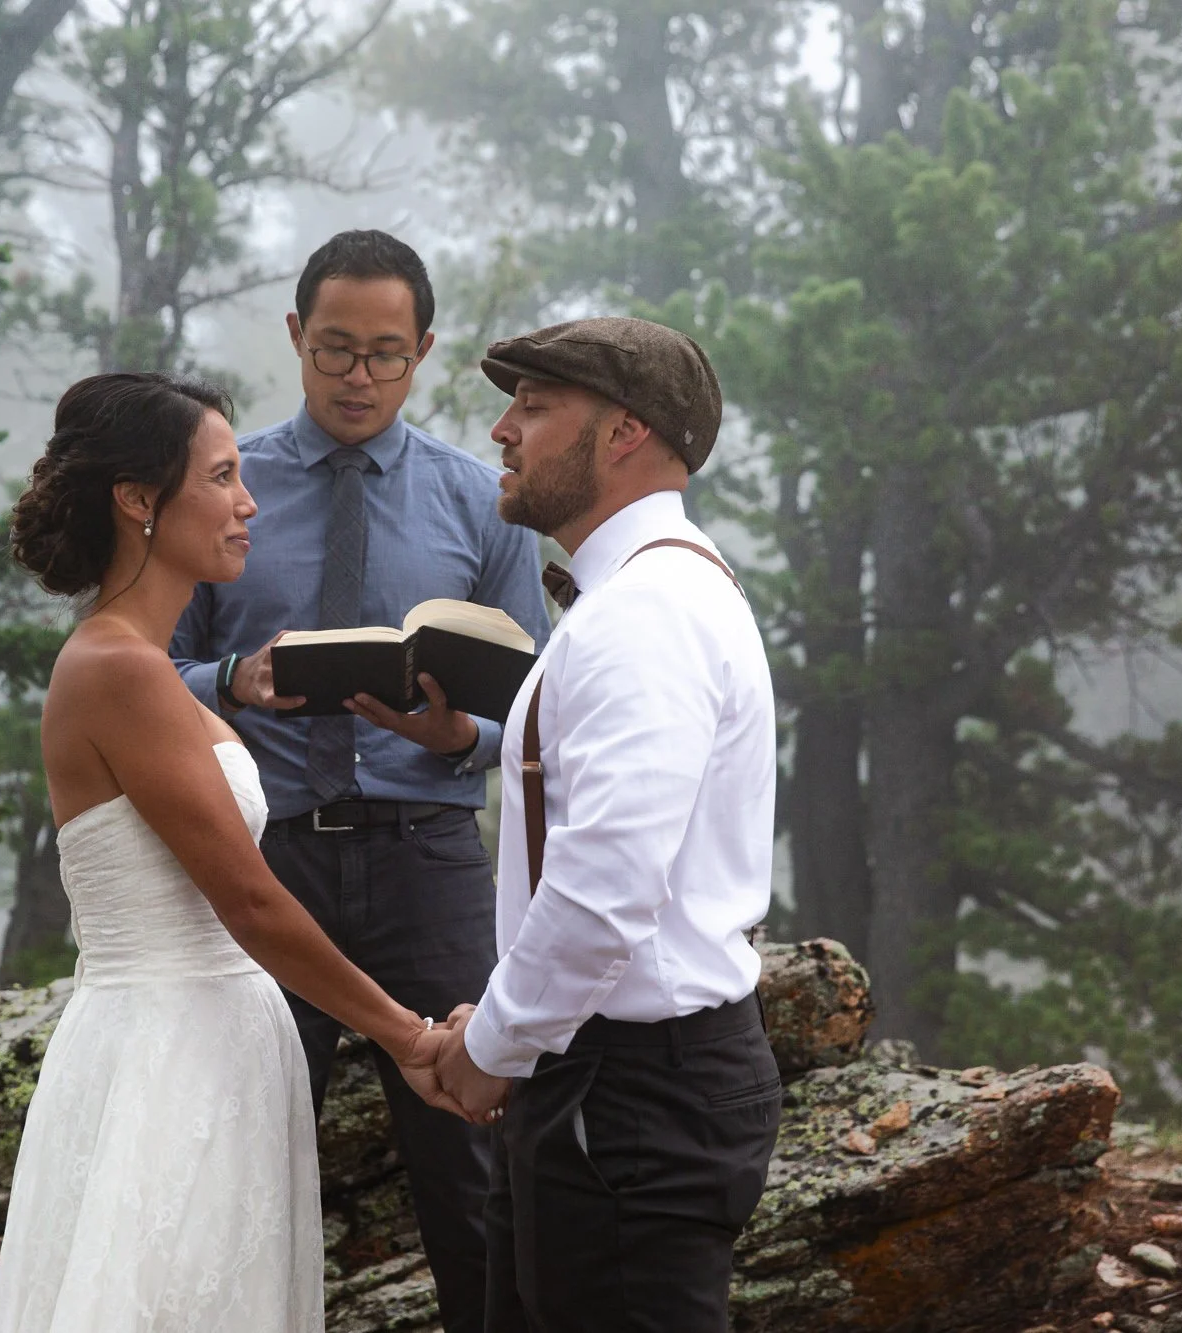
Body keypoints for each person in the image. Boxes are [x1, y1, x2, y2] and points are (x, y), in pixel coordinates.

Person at [0, 371, 460, 1333]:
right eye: (224, 477)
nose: (250, 503)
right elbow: (248, 901)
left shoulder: (146, 667)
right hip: (166, 1058)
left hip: (214, 1046)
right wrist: (409, 1036)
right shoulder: (120, 669)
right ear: (138, 500)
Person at [168, 229, 551, 1333]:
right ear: (294, 336)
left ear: (423, 351)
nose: (358, 376)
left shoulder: (483, 502)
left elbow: (527, 709)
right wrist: (230, 680)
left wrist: (451, 735)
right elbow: (150, 669)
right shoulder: (225, 490)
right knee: (232, 1167)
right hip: (263, 860)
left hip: (426, 862)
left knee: (473, 1174)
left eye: (386, 353)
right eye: (335, 348)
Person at [433, 317, 784, 1332]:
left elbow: (603, 891)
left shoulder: (648, 613)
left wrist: (492, 1044)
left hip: (630, 1095)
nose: (503, 429)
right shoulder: (637, 597)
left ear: (625, 431)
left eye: (535, 406)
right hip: (600, 1081)